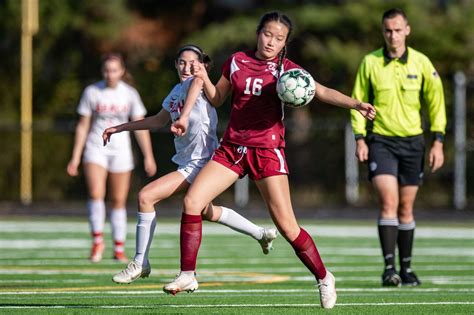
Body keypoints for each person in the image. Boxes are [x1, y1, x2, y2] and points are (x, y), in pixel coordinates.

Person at [163, 11, 376, 309]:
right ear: (258, 33)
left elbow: (321, 90)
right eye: (267, 34)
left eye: (279, 38)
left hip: (267, 151)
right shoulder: (236, 60)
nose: (271, 42)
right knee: (191, 203)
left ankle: (324, 277)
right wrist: (203, 78)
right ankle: (187, 274)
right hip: (233, 148)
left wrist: (355, 104)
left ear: (285, 42)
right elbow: (216, 98)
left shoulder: (287, 72)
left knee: (288, 227)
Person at [102, 44, 278, 284]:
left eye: (193, 63)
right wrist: (119, 128)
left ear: (202, 65)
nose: (187, 67)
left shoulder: (200, 83)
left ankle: (140, 261)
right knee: (207, 211)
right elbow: (157, 121)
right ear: (175, 65)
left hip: (203, 163)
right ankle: (260, 233)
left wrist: (184, 116)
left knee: (146, 196)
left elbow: (197, 84)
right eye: (182, 62)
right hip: (187, 163)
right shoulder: (176, 90)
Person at [351, 8, 446, 287]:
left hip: (414, 143)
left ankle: (406, 269)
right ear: (383, 32)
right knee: (389, 202)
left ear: (407, 30)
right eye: (387, 30)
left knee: (406, 208)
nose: (392, 35)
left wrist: (438, 142)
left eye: (397, 29)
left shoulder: (421, 63)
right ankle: (389, 269)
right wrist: (360, 137)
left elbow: (436, 104)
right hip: (381, 141)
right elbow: (357, 101)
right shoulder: (370, 63)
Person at [67, 53, 157, 263]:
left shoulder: (130, 94)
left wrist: (149, 156)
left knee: (118, 200)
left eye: (115, 70)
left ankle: (118, 247)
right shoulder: (92, 92)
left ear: (122, 71)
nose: (110, 74)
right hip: (96, 148)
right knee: (96, 193)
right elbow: (83, 125)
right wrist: (75, 157)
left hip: (121, 150)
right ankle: (97, 240)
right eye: (107, 70)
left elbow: (141, 126)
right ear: (102, 71)